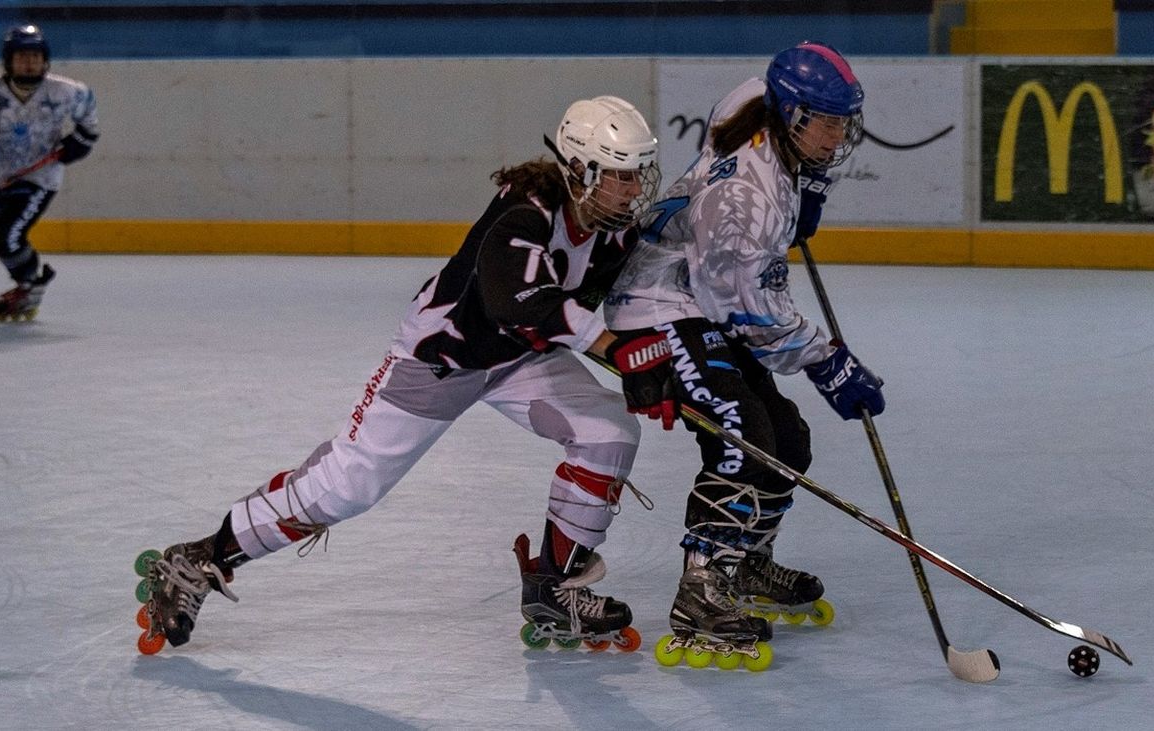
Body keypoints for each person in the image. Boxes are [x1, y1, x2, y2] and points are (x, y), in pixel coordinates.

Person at [135, 96, 676, 655]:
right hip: (441, 360)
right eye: (622, 176)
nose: (635, 189)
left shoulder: (612, 233)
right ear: (581, 170)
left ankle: (554, 588)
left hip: (519, 361)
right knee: (348, 487)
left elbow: (599, 311)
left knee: (609, 432)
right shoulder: (525, 212)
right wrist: (617, 351)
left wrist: (654, 365)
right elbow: (515, 301)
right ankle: (199, 560)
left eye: (639, 174)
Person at [604, 41, 886, 664]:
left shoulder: (757, 101)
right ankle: (702, 586)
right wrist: (827, 362)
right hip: (660, 303)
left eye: (843, 122)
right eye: (826, 123)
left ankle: (747, 563)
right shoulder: (743, 204)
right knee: (744, 435)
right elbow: (754, 315)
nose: (838, 136)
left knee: (789, 440)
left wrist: (808, 184)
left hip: (704, 294)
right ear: (791, 115)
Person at [0, 24, 99, 322]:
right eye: (22, 57)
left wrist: (81, 141)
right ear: (8, 61)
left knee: (6, 236)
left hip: (39, 178)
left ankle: (29, 285)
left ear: (45, 60)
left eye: (35, 56)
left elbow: (89, 114)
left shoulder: (66, 92)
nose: (29, 63)